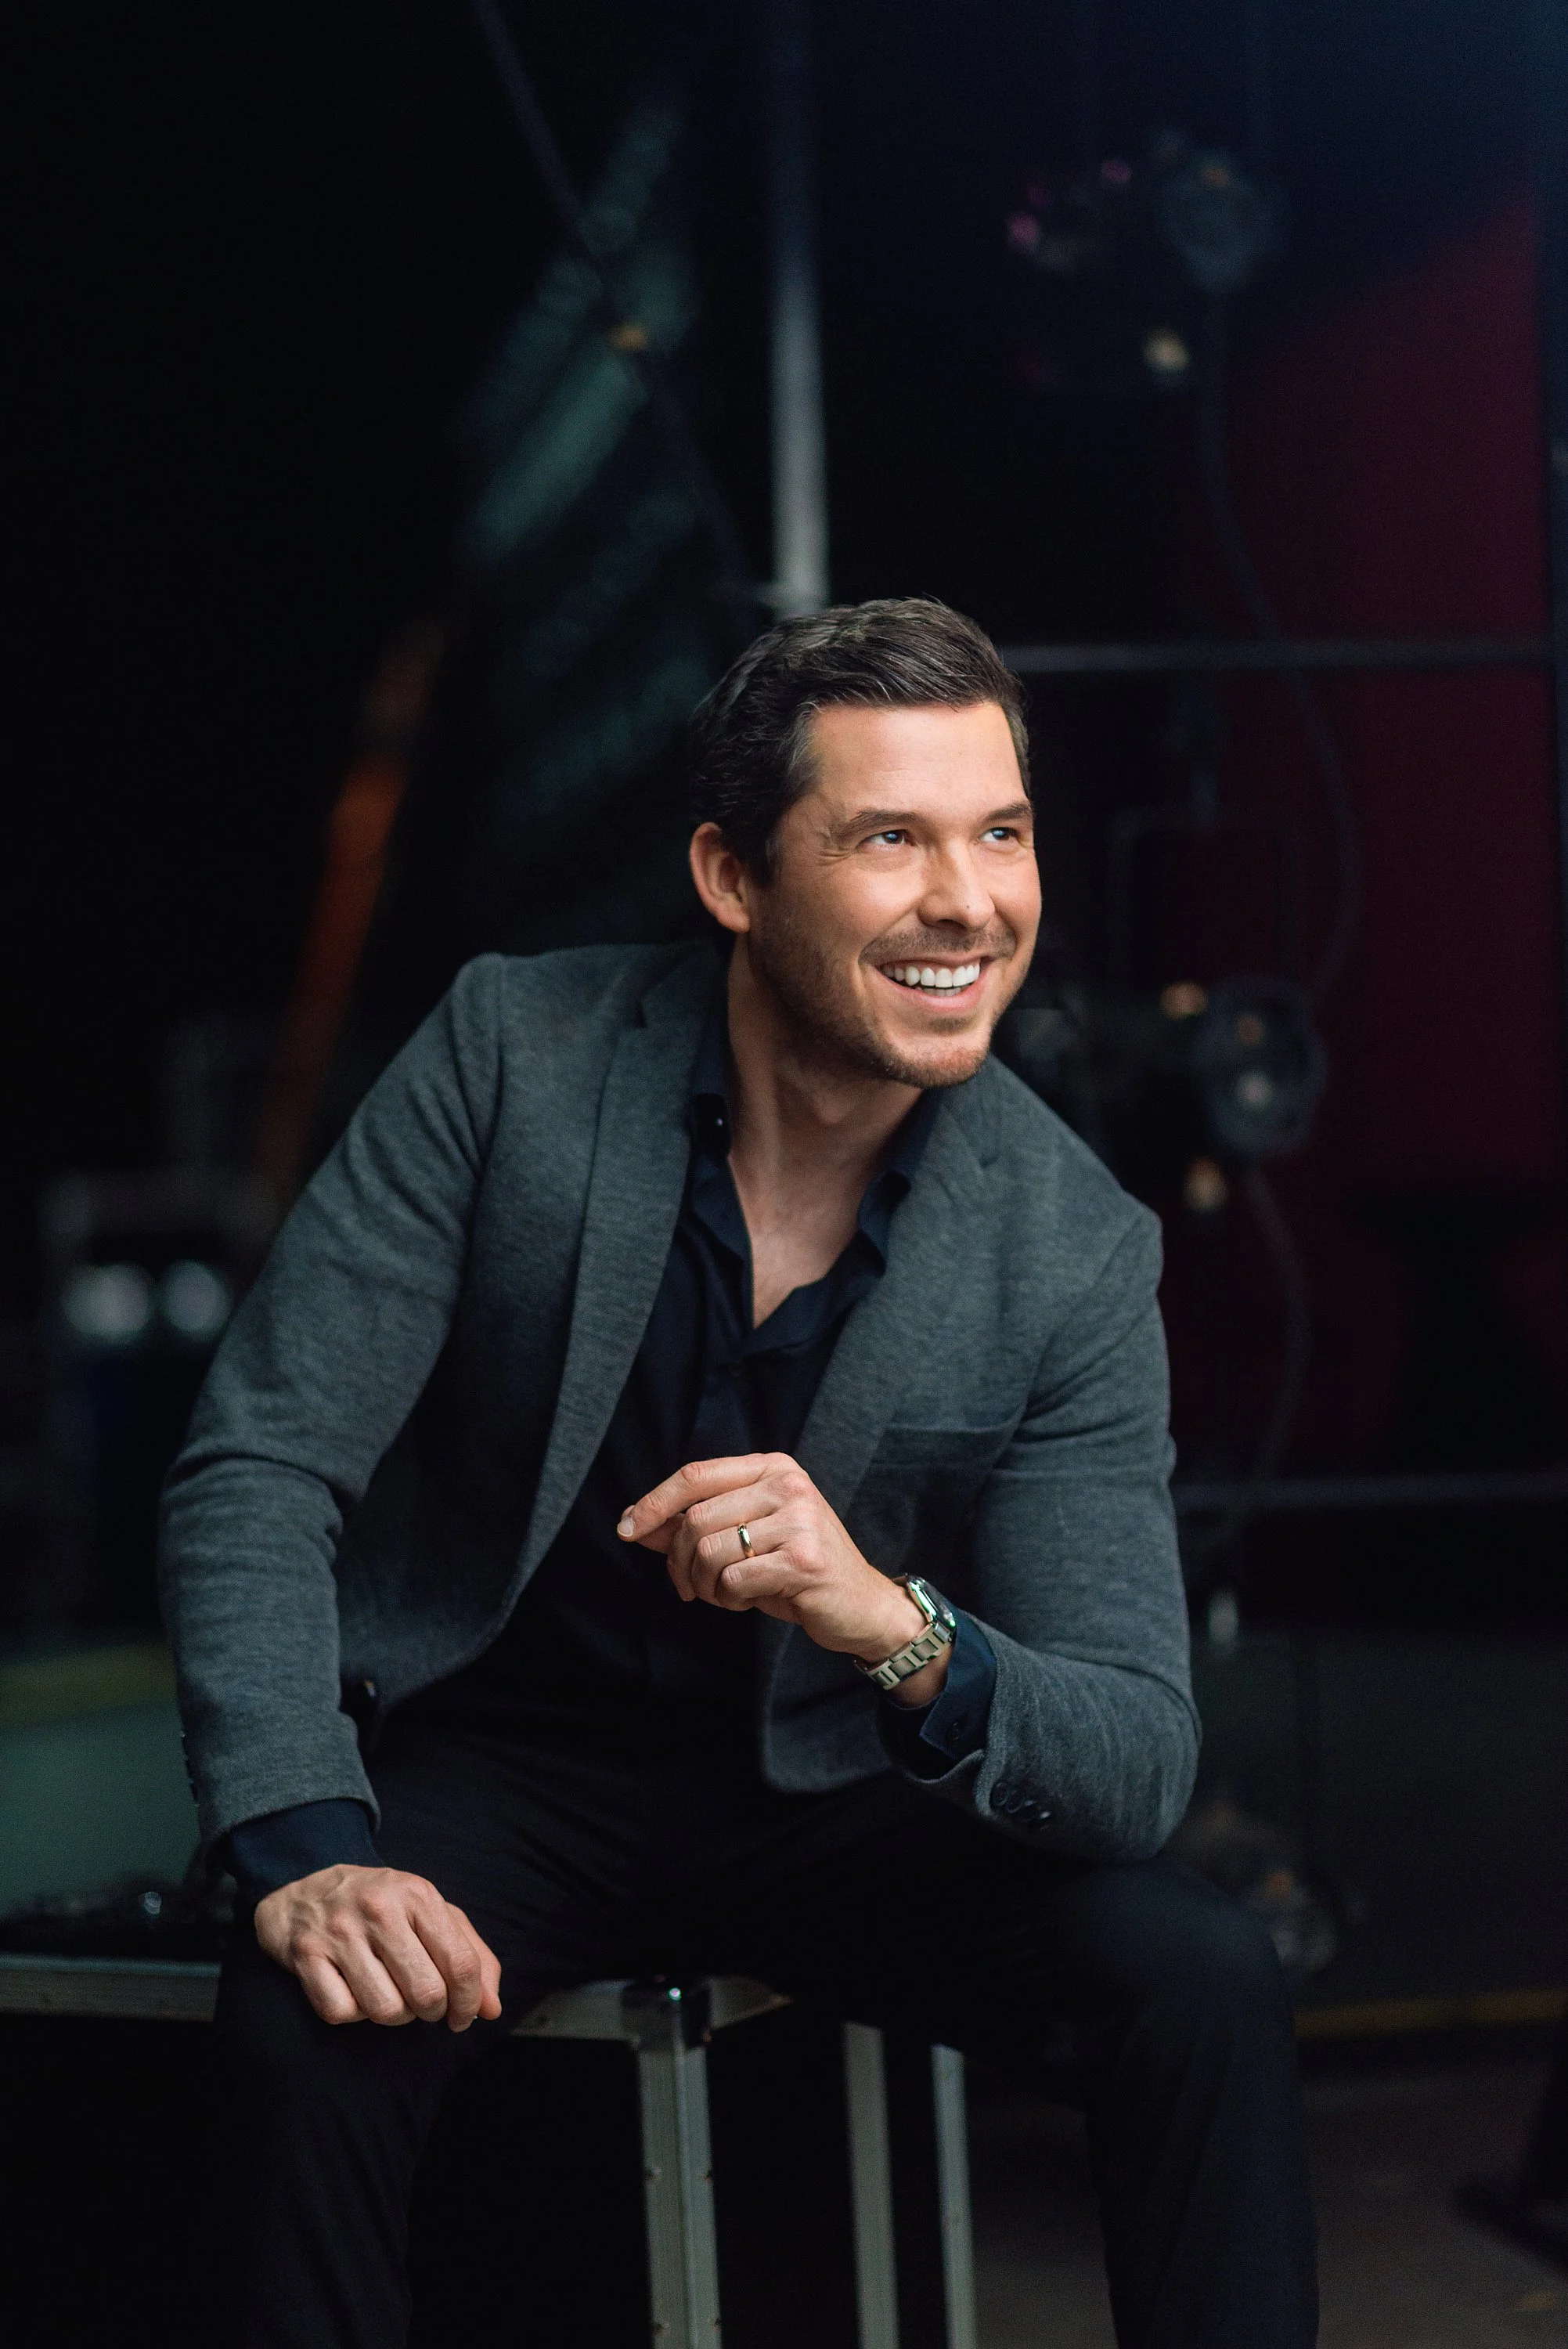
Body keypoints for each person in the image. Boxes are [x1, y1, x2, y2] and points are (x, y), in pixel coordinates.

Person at [160, 597, 1317, 2347]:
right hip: (505, 1759)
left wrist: (890, 1621)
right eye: (887, 840)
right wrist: (307, 1847)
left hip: (837, 1795)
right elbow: (260, 1461)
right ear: (730, 874)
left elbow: (1132, 1753)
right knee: (309, 2017)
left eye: (998, 835)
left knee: (1201, 1983)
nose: (967, 902)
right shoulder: (508, 1060)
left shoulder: (1071, 1243)